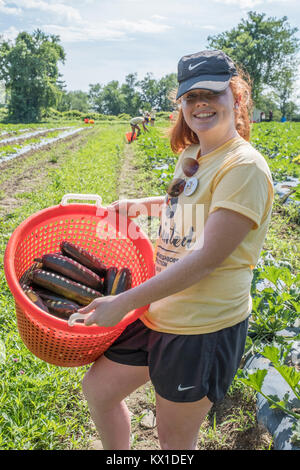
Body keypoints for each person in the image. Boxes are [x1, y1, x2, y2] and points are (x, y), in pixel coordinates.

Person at [79, 50, 274, 450]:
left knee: (173, 440)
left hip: (202, 328)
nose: (200, 103)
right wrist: (141, 206)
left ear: (235, 98)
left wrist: (123, 301)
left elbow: (205, 260)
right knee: (99, 390)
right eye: (191, 96)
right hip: (159, 307)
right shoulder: (193, 155)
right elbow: (183, 201)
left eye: (212, 93)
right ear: (182, 104)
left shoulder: (244, 168)